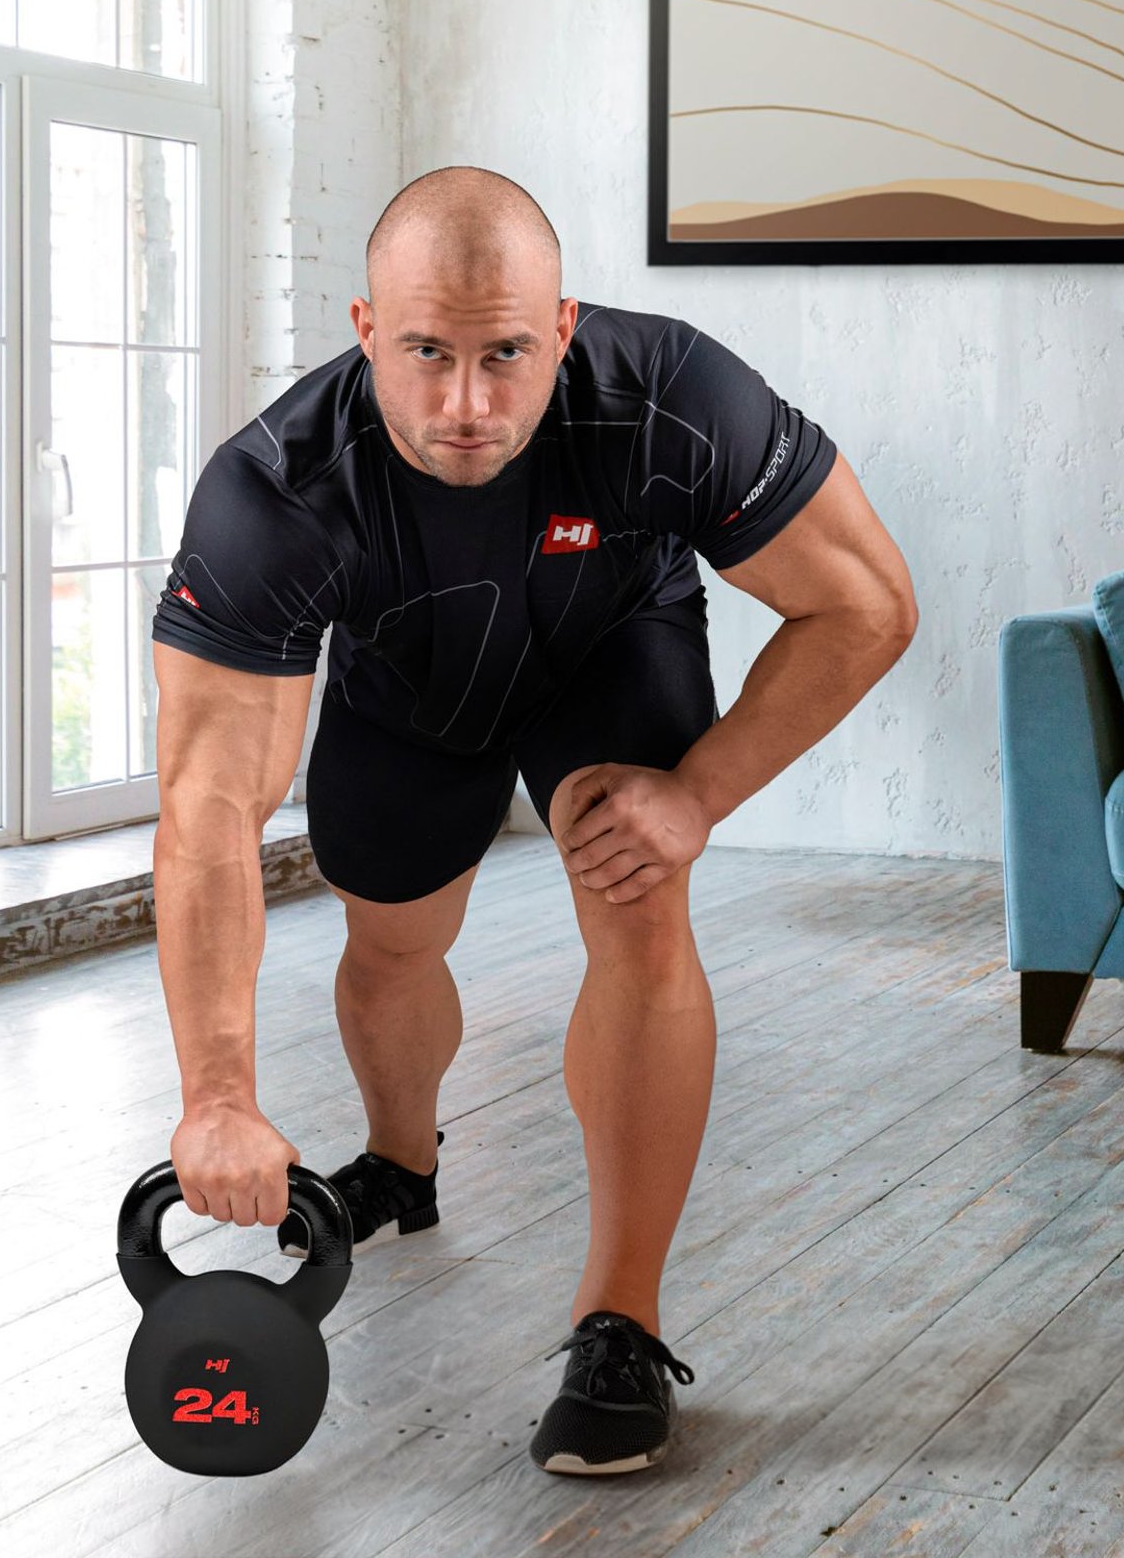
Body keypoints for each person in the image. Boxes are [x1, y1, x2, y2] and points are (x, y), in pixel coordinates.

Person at [148, 166, 916, 1476]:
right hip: (410, 693)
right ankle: (402, 1162)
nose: (466, 404)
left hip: (612, 648)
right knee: (391, 942)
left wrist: (698, 793)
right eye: (426, 354)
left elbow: (868, 603)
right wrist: (215, 1095)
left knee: (640, 906)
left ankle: (621, 1321)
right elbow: (209, 809)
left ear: (563, 327)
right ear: (364, 331)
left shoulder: (671, 398)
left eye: (505, 353)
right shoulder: (276, 490)